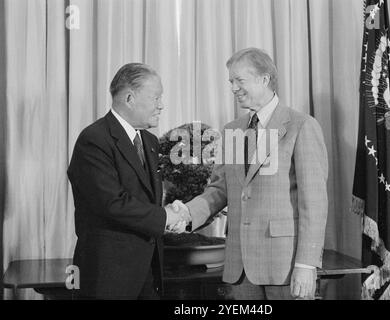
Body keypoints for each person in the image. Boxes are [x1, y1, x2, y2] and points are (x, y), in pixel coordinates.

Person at [170, 48, 328, 300]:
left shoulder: (301, 126)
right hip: (239, 267)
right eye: (230, 81)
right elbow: (220, 190)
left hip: (285, 267)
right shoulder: (232, 130)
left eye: (239, 80)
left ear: (264, 79)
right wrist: (186, 213)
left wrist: (307, 265)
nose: (233, 88)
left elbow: (315, 204)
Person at [67, 63, 183, 299]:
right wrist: (165, 217)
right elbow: (111, 203)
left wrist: (171, 211)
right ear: (129, 98)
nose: (161, 105)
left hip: (148, 274)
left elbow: (145, 200)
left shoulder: (150, 141)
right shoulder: (94, 140)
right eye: (156, 97)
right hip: (108, 276)